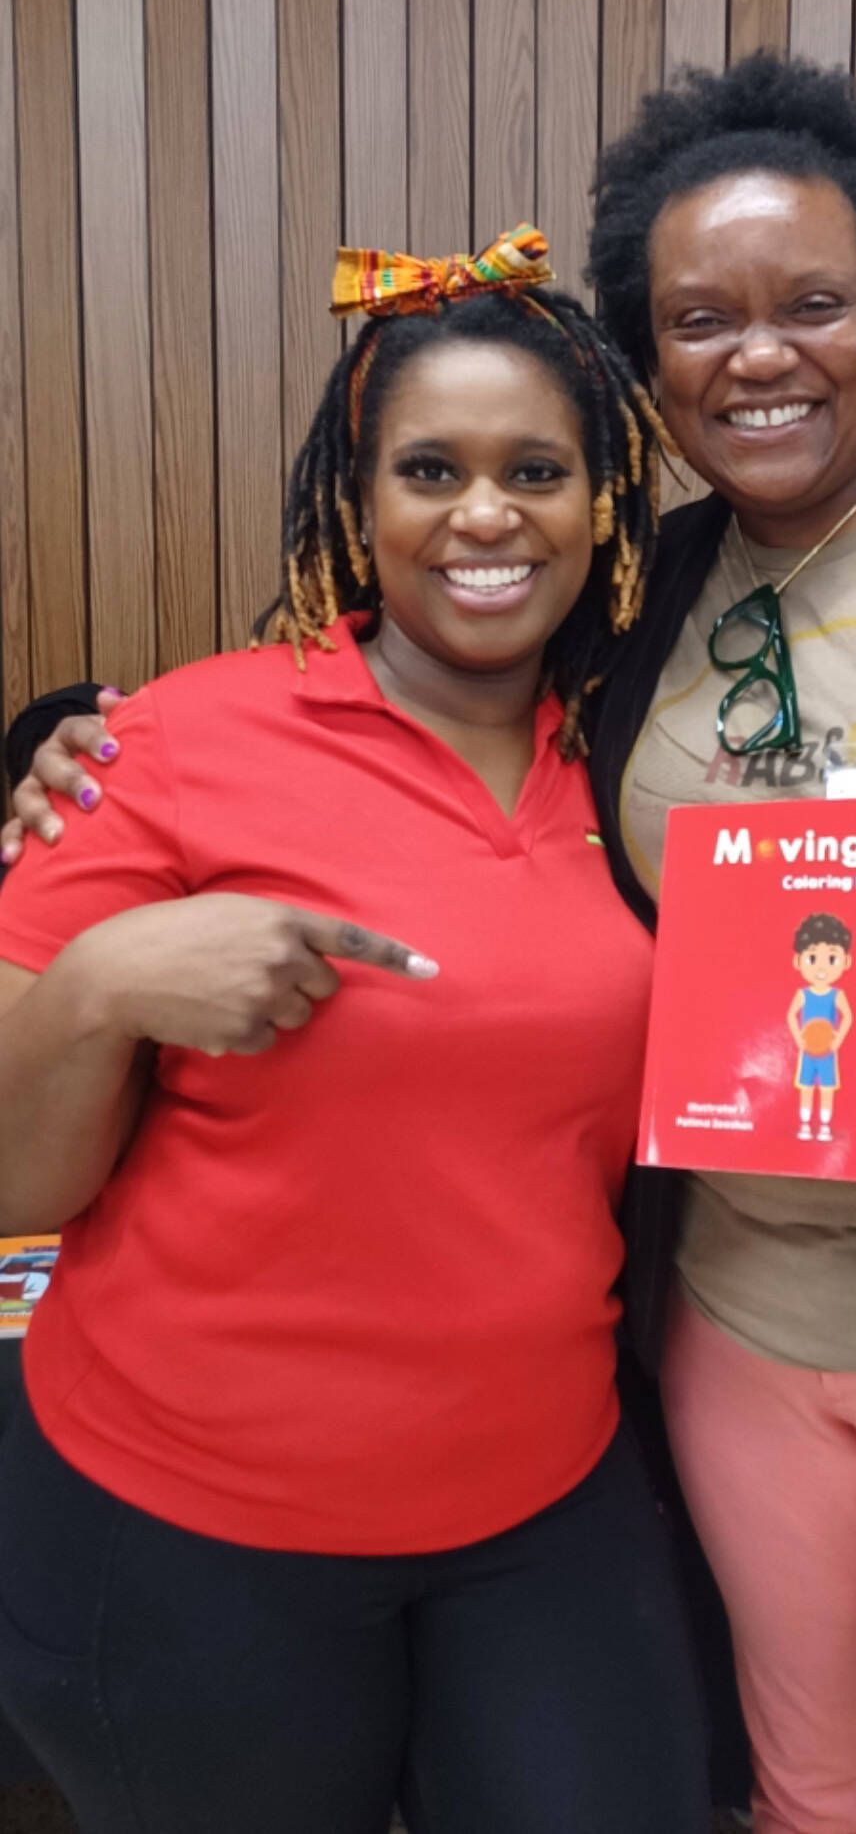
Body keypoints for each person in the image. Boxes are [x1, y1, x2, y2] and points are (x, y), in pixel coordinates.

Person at [15, 56, 856, 1834]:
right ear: (653, 366)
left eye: (813, 303)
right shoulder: (645, 611)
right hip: (726, 1337)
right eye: (701, 317)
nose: (761, 351)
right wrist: (75, 758)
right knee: (800, 1794)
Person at [0, 233, 709, 1834]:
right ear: (356, 501)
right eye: (428, 469)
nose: (481, 514)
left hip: (544, 1491)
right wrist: (105, 977)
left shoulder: (638, 757)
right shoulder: (170, 741)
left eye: (535, 468)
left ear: (600, 502)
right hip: (185, 1517)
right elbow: (7, 1186)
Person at [787, 913, 853, 1142]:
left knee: (826, 1089)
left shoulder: (837, 995)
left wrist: (837, 1041)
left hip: (827, 1051)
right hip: (807, 1050)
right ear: (798, 961)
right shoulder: (802, 995)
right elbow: (790, 1016)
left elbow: (848, 1018)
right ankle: (805, 1125)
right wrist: (798, 1039)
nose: (822, 968)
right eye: (813, 958)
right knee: (806, 1087)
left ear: (846, 961)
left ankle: (824, 1126)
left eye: (832, 959)